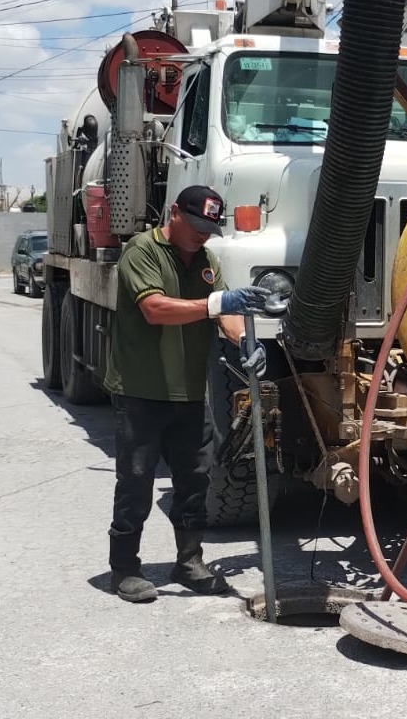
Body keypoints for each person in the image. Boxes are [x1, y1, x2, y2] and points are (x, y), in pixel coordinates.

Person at [104, 185, 284, 603]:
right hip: (141, 393)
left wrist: (244, 343)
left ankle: (189, 561)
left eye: (210, 227)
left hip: (188, 395)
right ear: (174, 214)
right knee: (135, 482)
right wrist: (215, 303)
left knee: (195, 480)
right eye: (198, 225)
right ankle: (125, 569)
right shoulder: (142, 251)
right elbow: (155, 309)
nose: (204, 234)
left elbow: (227, 314)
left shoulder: (206, 261)